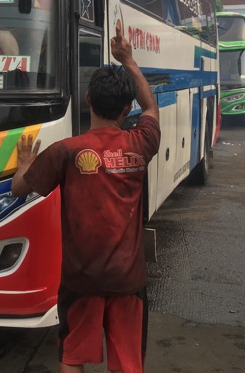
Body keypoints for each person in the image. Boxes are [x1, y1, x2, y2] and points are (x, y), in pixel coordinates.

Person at [12, 20, 161, 373]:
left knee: (73, 356)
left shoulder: (65, 151)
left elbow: (19, 189)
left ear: (88, 100)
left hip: (81, 281)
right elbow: (151, 106)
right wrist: (128, 60)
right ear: (127, 110)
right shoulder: (141, 143)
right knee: (128, 364)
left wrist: (24, 163)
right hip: (128, 281)